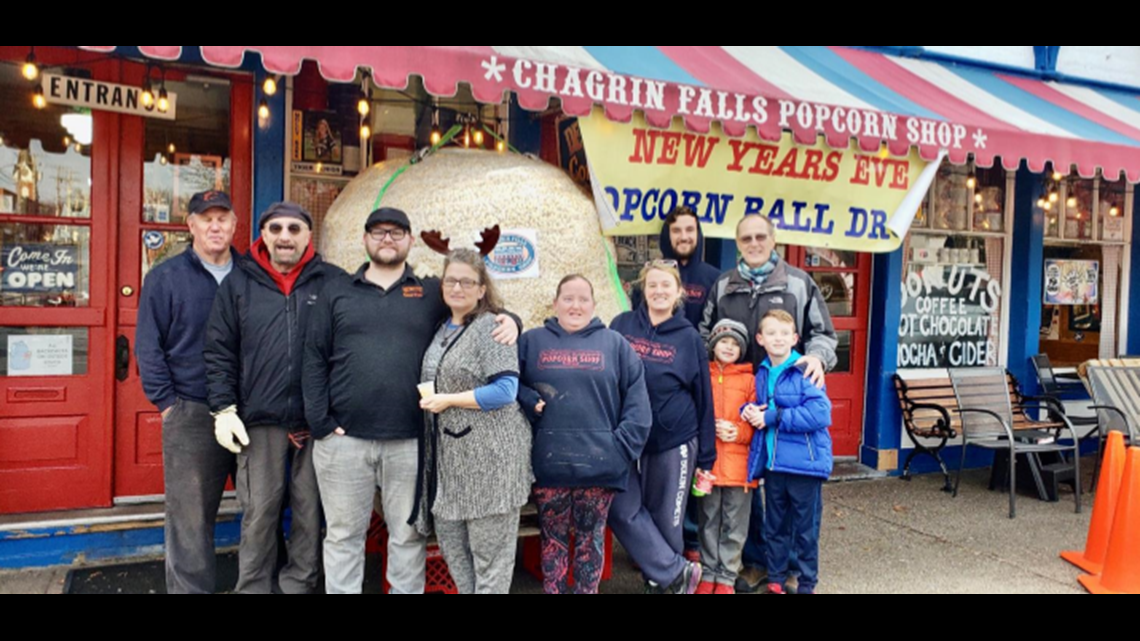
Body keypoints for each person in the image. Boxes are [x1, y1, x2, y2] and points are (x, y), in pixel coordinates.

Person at [303, 207, 519, 595]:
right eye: (379, 231)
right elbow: (313, 357)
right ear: (365, 239)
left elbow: (474, 304)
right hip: (343, 442)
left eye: (397, 232)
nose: (387, 238)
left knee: (407, 537)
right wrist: (320, 422)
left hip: (410, 441)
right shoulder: (336, 291)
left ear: (410, 241)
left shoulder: (428, 293)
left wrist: (513, 321)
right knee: (342, 537)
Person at [205, 202, 341, 594]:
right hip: (259, 420)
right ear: (262, 234)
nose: (285, 236)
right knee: (260, 512)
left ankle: (300, 584)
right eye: (276, 228)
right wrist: (224, 408)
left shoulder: (331, 281)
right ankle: (253, 588)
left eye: (294, 229)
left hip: (315, 420)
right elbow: (219, 350)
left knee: (309, 511)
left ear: (307, 236)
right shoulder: (238, 283)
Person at [699, 213, 837, 593]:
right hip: (737, 399)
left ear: (773, 239)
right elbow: (702, 334)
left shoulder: (799, 283)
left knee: (790, 494)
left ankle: (792, 569)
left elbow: (824, 334)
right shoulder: (723, 285)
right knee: (750, 487)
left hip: (786, 398)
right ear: (738, 242)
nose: (754, 243)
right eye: (746, 238)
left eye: (761, 236)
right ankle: (759, 563)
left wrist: (818, 358)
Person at [518, 275, 652, 595]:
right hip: (550, 466)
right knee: (552, 542)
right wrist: (526, 398)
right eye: (568, 298)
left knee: (590, 542)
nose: (575, 305)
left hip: (599, 468)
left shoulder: (615, 344)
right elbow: (506, 384)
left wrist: (617, 451)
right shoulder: (531, 341)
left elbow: (638, 407)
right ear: (555, 303)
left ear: (593, 305)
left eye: (583, 299)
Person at [136, 190, 239, 594]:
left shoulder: (249, 274)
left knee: (265, 510)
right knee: (190, 519)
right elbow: (148, 346)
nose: (215, 226)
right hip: (192, 411)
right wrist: (168, 406)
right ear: (191, 225)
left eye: (222, 218)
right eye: (206, 218)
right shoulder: (165, 277)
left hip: (249, 409)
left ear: (234, 225)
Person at [414, 249, 533, 595]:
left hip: (491, 465)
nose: (458, 287)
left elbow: (506, 390)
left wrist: (449, 399)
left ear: (482, 289)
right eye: (451, 280)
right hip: (452, 468)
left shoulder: (491, 327)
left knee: (490, 564)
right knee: (456, 554)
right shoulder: (442, 328)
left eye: (467, 282)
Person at [609, 261, 716, 594]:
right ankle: (677, 573)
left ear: (678, 292)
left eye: (666, 285)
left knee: (667, 520)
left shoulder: (688, 338)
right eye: (652, 285)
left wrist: (706, 458)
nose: (659, 291)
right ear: (642, 288)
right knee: (619, 507)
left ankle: (659, 585)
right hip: (625, 438)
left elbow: (704, 396)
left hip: (673, 440)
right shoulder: (621, 325)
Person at [743, 310, 834, 595]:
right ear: (760, 339)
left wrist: (773, 416)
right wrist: (746, 411)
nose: (778, 339)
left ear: (795, 338)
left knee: (805, 531)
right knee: (775, 527)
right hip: (774, 465)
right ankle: (777, 580)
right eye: (771, 333)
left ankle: (807, 584)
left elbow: (820, 413)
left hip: (804, 466)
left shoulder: (805, 369)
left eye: (784, 333)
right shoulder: (762, 372)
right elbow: (759, 407)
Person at [695, 319, 758, 595]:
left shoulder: (749, 379)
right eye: (723, 342)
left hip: (739, 466)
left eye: (734, 344)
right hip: (709, 464)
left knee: (734, 523)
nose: (729, 347)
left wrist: (739, 431)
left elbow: (758, 421)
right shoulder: (702, 375)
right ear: (713, 345)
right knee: (708, 519)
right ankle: (708, 572)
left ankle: (727, 577)